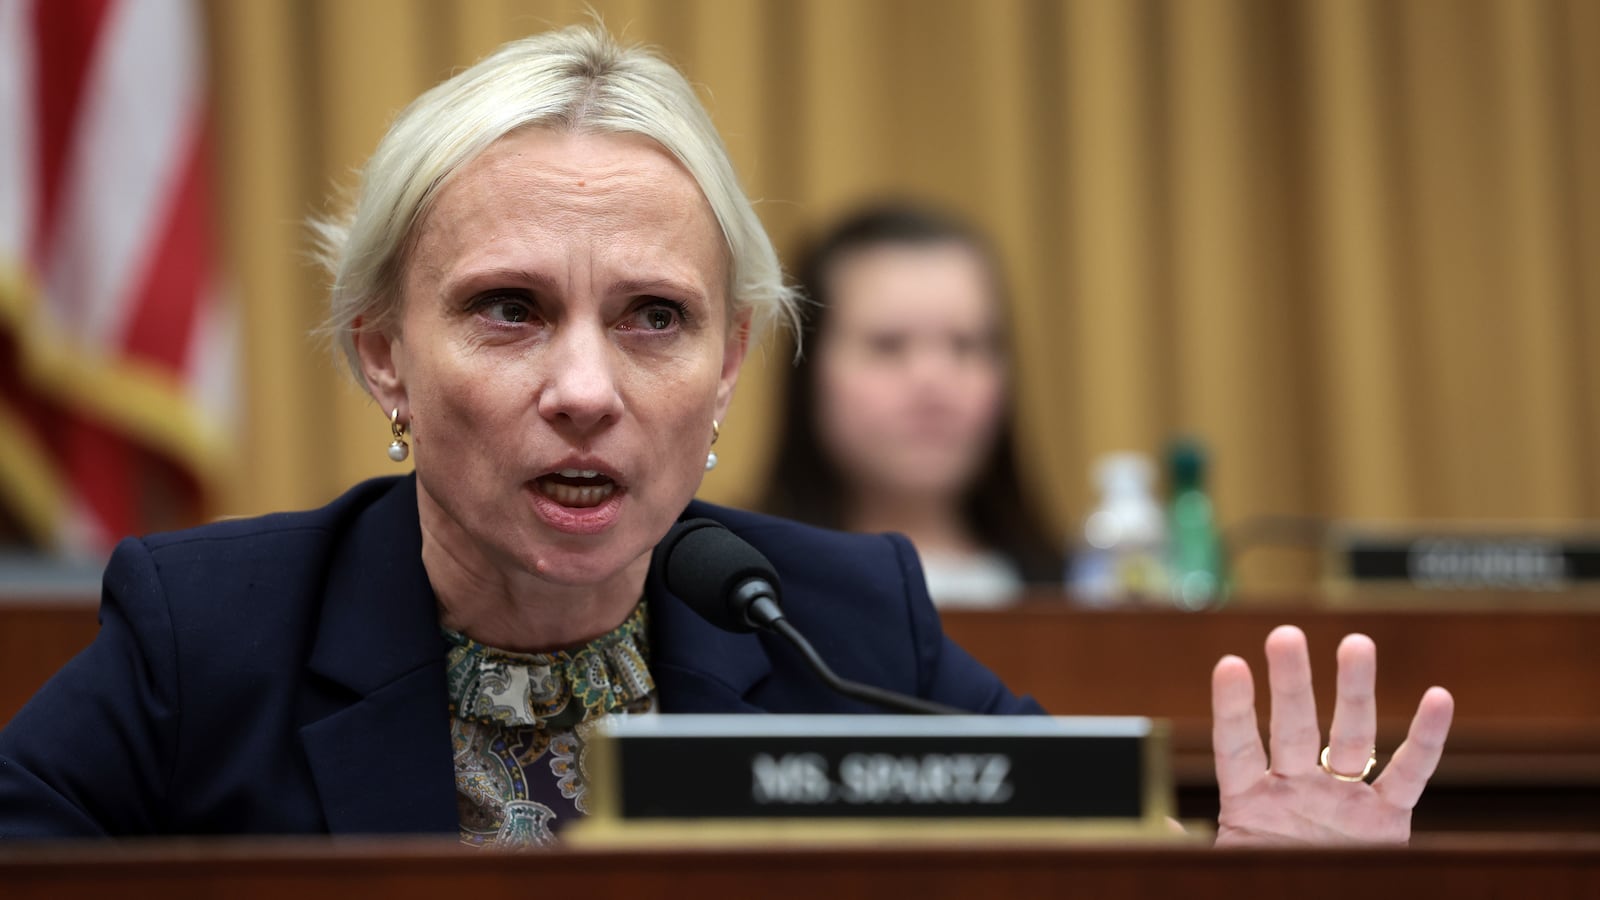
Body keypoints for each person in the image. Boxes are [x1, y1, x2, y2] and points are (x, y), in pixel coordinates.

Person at [0, 24, 1453, 848]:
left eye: (653, 317)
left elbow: (1077, 863)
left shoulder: (844, 625)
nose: (585, 388)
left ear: (732, 364)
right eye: (509, 310)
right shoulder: (209, 633)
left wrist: (1231, 887)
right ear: (383, 352)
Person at [762, 204, 1061, 607]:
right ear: (809, 369)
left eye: (966, 344)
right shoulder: (741, 588)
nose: (933, 381)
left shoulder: (1077, 594)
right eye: (888, 344)